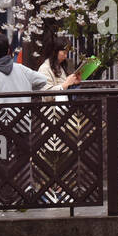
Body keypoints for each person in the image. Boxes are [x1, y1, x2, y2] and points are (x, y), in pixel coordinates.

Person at [0, 31, 51, 202]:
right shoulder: (22, 69)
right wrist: (28, 90)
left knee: (1, 160)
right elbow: (42, 80)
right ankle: (26, 192)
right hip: (23, 124)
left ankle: (6, 196)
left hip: (2, 127)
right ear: (10, 51)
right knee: (24, 159)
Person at [36, 38, 81, 203]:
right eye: (64, 51)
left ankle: (61, 189)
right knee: (50, 155)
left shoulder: (60, 68)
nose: (65, 55)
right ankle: (49, 191)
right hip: (51, 117)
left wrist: (73, 83)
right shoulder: (44, 68)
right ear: (55, 52)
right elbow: (44, 93)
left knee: (65, 154)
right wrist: (65, 85)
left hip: (64, 117)